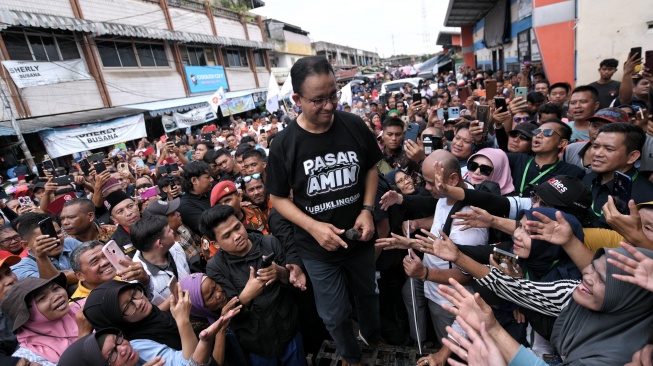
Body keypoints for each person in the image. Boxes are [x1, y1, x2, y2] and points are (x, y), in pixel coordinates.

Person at [266, 56, 382, 366]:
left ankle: (371, 335)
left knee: (368, 295)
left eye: (334, 94)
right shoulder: (284, 144)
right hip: (317, 250)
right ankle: (351, 355)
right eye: (318, 99)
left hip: (360, 239)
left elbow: (371, 167)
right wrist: (314, 227)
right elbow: (277, 199)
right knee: (334, 313)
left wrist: (367, 209)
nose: (329, 105)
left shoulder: (354, 125)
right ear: (297, 99)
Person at [423, 232, 653, 366]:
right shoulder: (575, 292)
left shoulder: (624, 355)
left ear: (627, 297)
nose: (588, 277)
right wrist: (459, 258)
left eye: (602, 279)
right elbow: (518, 289)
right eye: (591, 267)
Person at [200, 205, 307, 365]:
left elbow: (296, 287)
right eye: (227, 235)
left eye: (237, 227)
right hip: (255, 344)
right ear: (216, 243)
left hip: (288, 331)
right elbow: (227, 314)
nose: (237, 236)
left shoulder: (269, 243)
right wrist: (245, 296)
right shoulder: (216, 267)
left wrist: (281, 273)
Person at [83, 280, 196, 364]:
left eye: (134, 293)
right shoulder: (136, 346)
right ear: (117, 322)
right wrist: (183, 321)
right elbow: (191, 363)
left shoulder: (149, 316)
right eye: (127, 307)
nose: (138, 303)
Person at [2, 273, 85, 365]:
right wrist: (84, 334)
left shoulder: (85, 307)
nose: (57, 296)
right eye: (42, 298)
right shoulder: (29, 358)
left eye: (55, 288)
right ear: (27, 315)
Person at [583, 123, 653, 227]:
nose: (597, 153)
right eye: (595, 146)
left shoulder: (646, 197)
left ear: (632, 156)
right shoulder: (587, 179)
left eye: (609, 149)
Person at [508, 120, 585, 197]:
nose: (538, 135)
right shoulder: (517, 159)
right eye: (536, 131)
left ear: (562, 143)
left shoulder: (572, 173)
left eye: (547, 133)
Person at [130, 215, 191, 306]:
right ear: (159, 243)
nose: (173, 231)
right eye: (169, 231)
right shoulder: (137, 278)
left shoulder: (176, 248)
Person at [11, 213, 81, 283]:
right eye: (47, 237)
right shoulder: (21, 268)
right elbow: (49, 285)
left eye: (58, 232)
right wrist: (41, 257)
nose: (55, 238)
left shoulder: (71, 243)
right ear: (26, 245)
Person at [563, 107, 629, 173]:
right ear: (588, 126)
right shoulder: (571, 149)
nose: (599, 132)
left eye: (609, 129)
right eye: (595, 126)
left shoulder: (622, 160)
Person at [143, 199, 202, 271]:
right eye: (173, 213)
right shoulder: (164, 248)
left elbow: (199, 242)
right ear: (162, 222)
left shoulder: (182, 227)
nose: (178, 213)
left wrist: (201, 252)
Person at [179, 161, 214, 237]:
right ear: (194, 180)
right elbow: (207, 228)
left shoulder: (210, 191)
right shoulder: (185, 206)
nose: (212, 179)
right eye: (208, 177)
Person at [105, 190, 141, 257]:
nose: (128, 213)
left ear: (136, 205)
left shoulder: (156, 223)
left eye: (130, 206)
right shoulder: (113, 245)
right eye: (120, 211)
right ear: (114, 219)